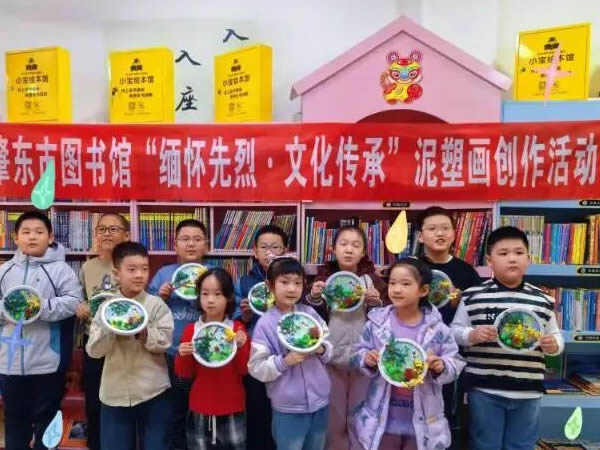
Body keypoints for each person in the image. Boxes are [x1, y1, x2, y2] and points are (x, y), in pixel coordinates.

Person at [451, 226, 564, 450]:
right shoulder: (473, 296)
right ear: (489, 260)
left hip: (528, 389)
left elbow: (555, 336)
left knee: (521, 445)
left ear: (528, 259)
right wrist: (472, 335)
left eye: (519, 253)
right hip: (484, 389)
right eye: (503, 253)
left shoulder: (542, 299)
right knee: (484, 444)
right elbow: (454, 331)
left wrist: (553, 345)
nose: (512, 258)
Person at [352, 257, 465, 450]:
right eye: (392, 283)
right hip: (382, 421)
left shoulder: (437, 329)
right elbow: (358, 352)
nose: (396, 289)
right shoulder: (377, 324)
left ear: (423, 290)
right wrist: (367, 359)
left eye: (405, 284)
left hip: (424, 423)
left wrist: (441, 366)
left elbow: (454, 360)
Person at [0, 211, 82, 450]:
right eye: (26, 232)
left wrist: (39, 308)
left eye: (39, 232)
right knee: (15, 420)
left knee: (47, 421)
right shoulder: (4, 270)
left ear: (50, 237)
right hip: (8, 362)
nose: (32, 237)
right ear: (16, 238)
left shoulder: (61, 270)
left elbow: (74, 302)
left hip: (48, 361)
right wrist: (11, 309)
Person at [86, 241, 174, 450]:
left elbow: (165, 342)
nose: (139, 275)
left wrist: (144, 333)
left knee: (157, 445)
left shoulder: (155, 304)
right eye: (132, 269)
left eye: (144, 269)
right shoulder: (106, 308)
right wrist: (110, 328)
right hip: (114, 392)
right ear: (117, 274)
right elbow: (94, 351)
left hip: (153, 390)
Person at [306, 225, 386, 450]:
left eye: (355, 245)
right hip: (331, 360)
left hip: (363, 360)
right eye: (343, 244)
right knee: (333, 417)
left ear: (363, 252)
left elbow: (387, 320)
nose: (349, 249)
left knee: (360, 415)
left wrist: (376, 304)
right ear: (334, 249)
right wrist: (314, 298)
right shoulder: (323, 280)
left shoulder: (373, 281)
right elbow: (310, 320)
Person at [249, 257, 332, 450]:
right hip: (288, 408)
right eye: (284, 282)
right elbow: (256, 367)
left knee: (317, 445)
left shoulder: (310, 314)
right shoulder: (266, 323)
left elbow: (328, 349)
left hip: (320, 402)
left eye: (297, 283)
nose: (292, 289)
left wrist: (321, 349)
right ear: (270, 285)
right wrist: (284, 361)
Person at [416, 206, 480, 449]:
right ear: (420, 236)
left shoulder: (467, 272)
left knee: (446, 418)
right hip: (415, 351)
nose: (439, 233)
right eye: (432, 228)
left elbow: (476, 317)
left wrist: (459, 304)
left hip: (450, 357)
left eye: (445, 228)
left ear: (454, 234)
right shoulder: (411, 268)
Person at [148, 219, 208, 450]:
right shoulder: (164, 274)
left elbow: (227, 311)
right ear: (176, 245)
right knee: (173, 410)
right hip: (170, 355)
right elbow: (147, 311)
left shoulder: (214, 274)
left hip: (203, 355)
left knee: (202, 410)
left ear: (206, 245)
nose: (191, 244)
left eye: (197, 239)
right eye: (185, 239)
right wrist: (161, 297)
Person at [176, 268, 250, 450]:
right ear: (198, 297)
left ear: (228, 297)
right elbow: (185, 373)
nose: (210, 300)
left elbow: (244, 369)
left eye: (218, 294)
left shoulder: (237, 328)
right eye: (205, 294)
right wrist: (182, 354)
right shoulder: (192, 330)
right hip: (200, 406)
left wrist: (241, 346)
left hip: (232, 406)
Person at [76, 212, 130, 450]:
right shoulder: (87, 267)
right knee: (94, 400)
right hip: (94, 340)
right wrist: (80, 307)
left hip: (124, 341)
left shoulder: (131, 265)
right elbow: (79, 298)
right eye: (102, 229)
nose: (107, 234)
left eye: (113, 229)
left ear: (126, 235)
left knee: (123, 400)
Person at [233, 224, 288, 450]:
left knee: (282, 414)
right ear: (255, 252)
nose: (269, 252)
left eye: (275, 247)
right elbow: (233, 320)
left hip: (285, 354)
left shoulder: (291, 281)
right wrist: (244, 316)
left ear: (285, 251)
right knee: (257, 412)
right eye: (264, 247)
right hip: (255, 355)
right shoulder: (244, 282)